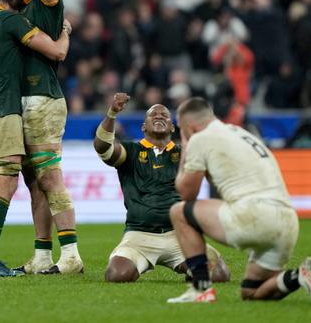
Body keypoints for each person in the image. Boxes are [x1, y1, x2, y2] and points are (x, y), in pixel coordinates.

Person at [167, 97, 311, 303]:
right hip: (288, 222)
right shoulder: (239, 133)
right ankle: (300, 276)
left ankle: (201, 289)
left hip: (254, 215)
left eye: (181, 129)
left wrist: (185, 150)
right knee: (252, 293)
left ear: (190, 126)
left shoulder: (200, 138)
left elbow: (186, 194)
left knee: (179, 212)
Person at [0, 0, 71, 277]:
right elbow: (56, 52)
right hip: (2, 109)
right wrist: (65, 33)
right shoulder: (9, 20)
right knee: (6, 184)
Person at [7, 0, 82, 275]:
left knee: (50, 176)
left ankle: (70, 255)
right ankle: (41, 256)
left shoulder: (48, 3)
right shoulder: (18, 16)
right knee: (34, 181)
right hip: (24, 102)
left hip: (43, 100)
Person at [94, 93, 230, 283]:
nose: (159, 116)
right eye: (153, 115)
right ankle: (174, 265)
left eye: (165, 115)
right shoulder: (131, 151)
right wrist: (112, 113)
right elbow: (102, 147)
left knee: (219, 275)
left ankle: (188, 266)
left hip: (180, 233)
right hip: (139, 234)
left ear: (173, 127)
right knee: (117, 275)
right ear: (143, 127)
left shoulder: (186, 152)